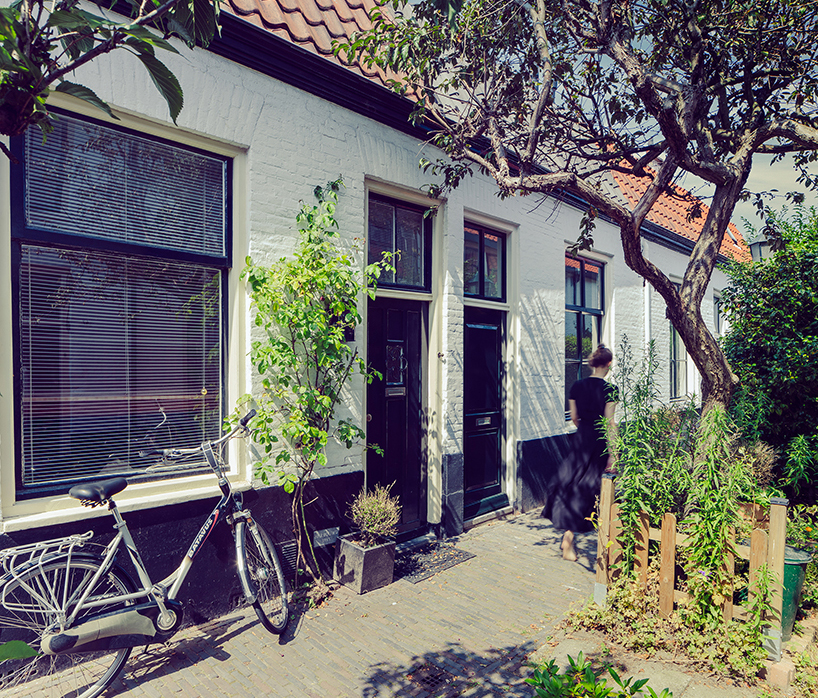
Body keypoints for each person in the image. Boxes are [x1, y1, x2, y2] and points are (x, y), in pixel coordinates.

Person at [544, 344, 618, 562]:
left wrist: (584, 432)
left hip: (580, 440)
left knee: (572, 485)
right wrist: (613, 454)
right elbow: (610, 423)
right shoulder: (610, 389)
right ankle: (569, 540)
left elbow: (574, 418)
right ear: (609, 364)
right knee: (588, 490)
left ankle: (569, 535)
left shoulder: (576, 386)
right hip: (598, 442)